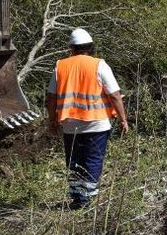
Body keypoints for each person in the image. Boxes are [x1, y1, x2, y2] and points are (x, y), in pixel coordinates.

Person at [45, 28, 129, 209]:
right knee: (92, 160)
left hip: (70, 125)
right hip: (97, 124)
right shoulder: (100, 65)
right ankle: (86, 201)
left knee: (74, 161)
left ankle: (78, 199)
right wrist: (123, 118)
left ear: (71, 48)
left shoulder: (61, 66)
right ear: (91, 48)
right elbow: (114, 95)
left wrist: (52, 120)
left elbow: (51, 97)